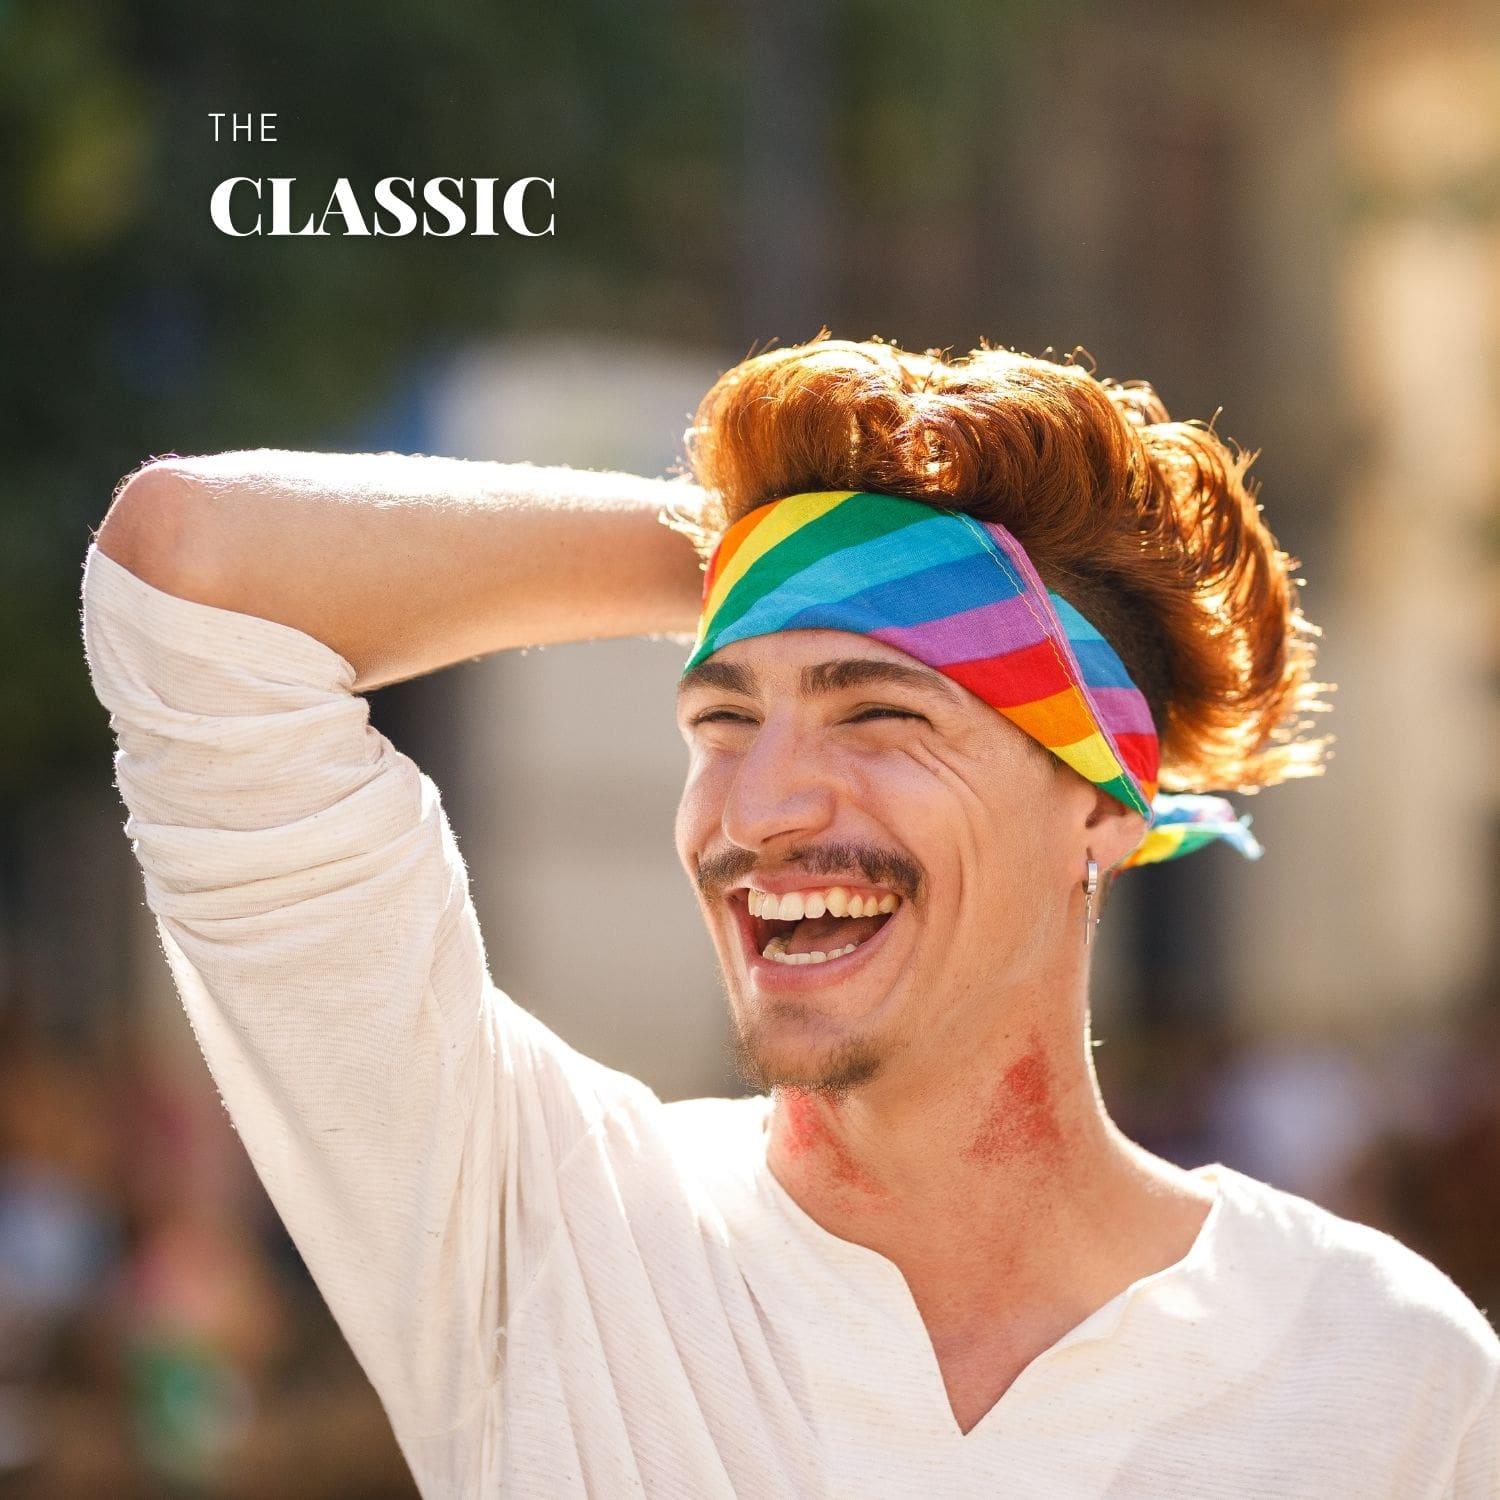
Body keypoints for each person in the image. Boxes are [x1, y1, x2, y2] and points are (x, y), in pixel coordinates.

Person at [82, 335, 1498, 1497]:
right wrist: (760, 551)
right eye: (723, 716)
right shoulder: (547, 1236)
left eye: (877, 712)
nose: (761, 811)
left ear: (1105, 805)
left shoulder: (1383, 1370)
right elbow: (189, 571)